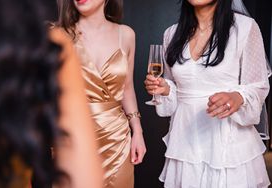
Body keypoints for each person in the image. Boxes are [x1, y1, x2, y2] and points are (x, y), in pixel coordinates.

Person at [145, 0, 271, 187]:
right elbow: (175, 92)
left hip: (229, 147)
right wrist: (165, 89)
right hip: (185, 144)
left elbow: (258, 86)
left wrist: (237, 98)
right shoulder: (171, 34)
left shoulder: (245, 28)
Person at [0, 0, 103, 188]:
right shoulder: (47, 44)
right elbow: (83, 181)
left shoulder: (125, 35)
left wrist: (135, 126)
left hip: (115, 130)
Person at [56, 0, 147, 187]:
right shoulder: (58, 35)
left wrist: (137, 131)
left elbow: (127, 88)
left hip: (117, 140)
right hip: (73, 138)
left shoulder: (126, 35)